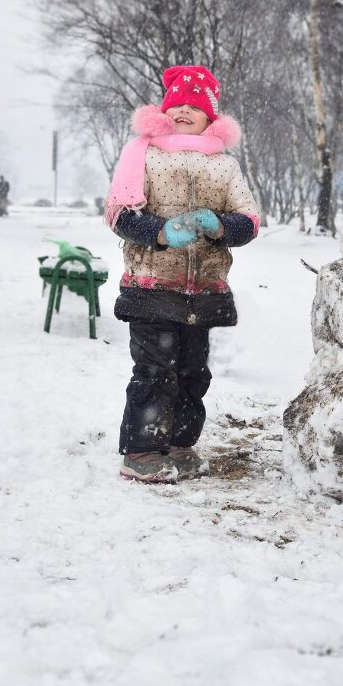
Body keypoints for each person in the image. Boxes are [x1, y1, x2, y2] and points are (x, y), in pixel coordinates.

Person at [105, 65, 260, 484]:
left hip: (205, 289)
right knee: (155, 372)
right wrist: (158, 231)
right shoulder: (145, 155)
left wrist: (222, 226)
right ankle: (141, 451)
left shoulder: (225, 166)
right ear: (163, 110)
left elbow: (250, 219)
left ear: (212, 116)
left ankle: (179, 443)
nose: (185, 111)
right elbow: (119, 215)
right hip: (153, 285)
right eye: (177, 104)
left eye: (196, 105)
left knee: (193, 374)